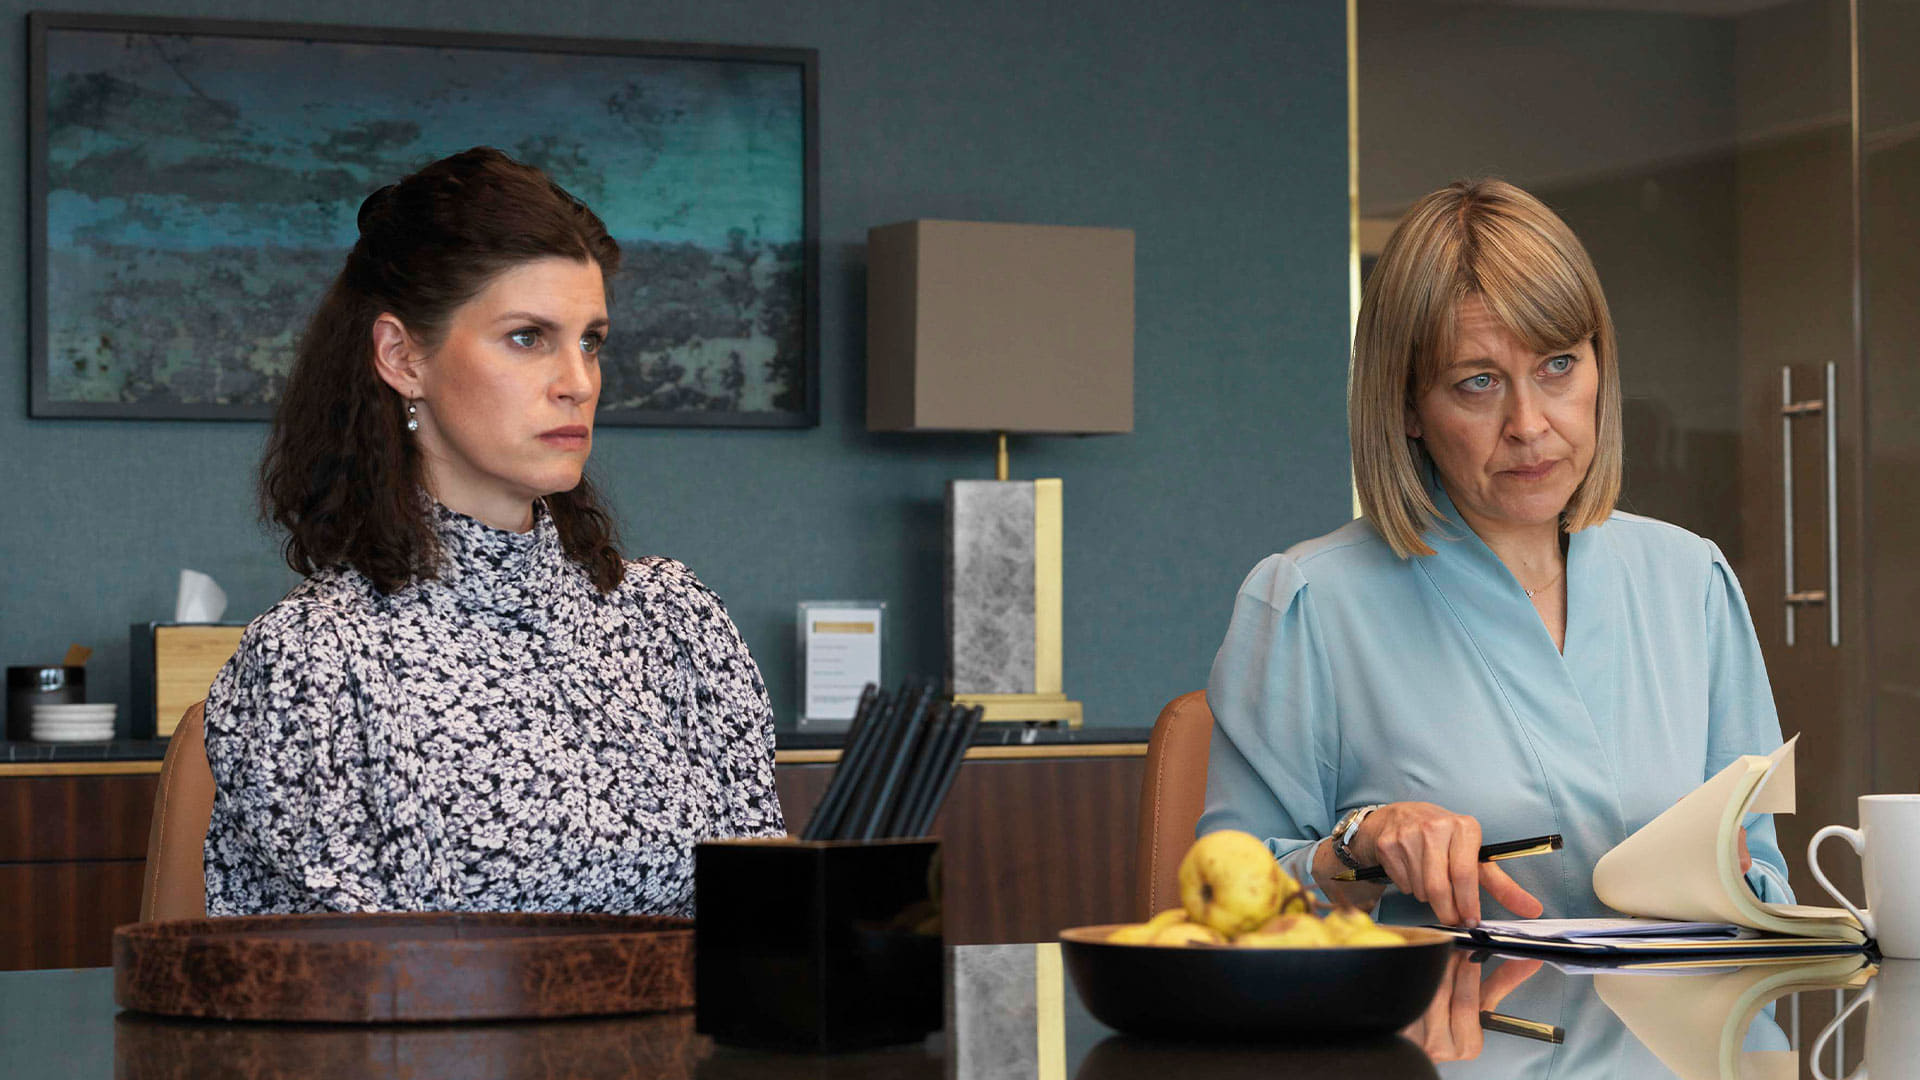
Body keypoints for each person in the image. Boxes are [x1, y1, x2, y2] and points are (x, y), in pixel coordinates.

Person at [202, 147, 785, 917]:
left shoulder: (676, 621)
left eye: (591, 340)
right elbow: (345, 976)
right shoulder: (318, 658)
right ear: (402, 357)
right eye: (528, 337)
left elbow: (764, 920)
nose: (577, 382)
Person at [1199, 178, 1792, 927]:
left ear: (1600, 366)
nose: (1530, 424)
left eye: (1558, 366)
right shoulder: (1307, 603)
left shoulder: (1690, 581)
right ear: (1407, 408)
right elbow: (1225, 907)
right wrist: (1357, 848)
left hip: (1679, 1006)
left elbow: (1766, 884)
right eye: (1478, 383)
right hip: (1441, 1006)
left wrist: (1737, 883)